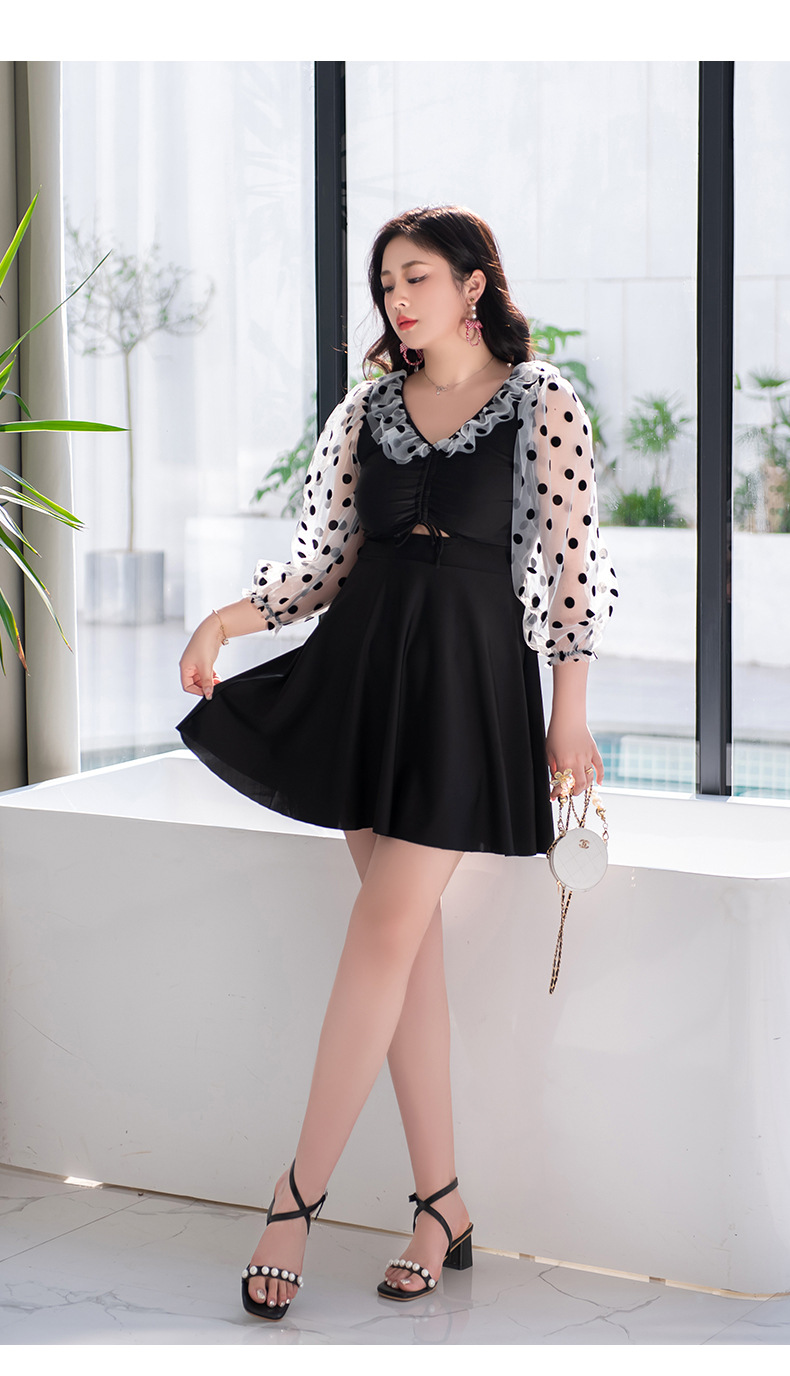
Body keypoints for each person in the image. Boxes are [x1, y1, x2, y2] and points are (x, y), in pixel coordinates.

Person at [177, 204, 618, 1321]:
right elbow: (326, 560)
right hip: (364, 676)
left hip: (466, 688)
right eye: (386, 284)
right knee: (405, 949)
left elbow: (573, 568)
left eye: (417, 277)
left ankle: (295, 1198)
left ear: (474, 284)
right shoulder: (366, 410)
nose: (397, 299)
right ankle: (442, 1203)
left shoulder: (541, 400)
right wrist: (228, 619)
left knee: (382, 931)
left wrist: (568, 714)